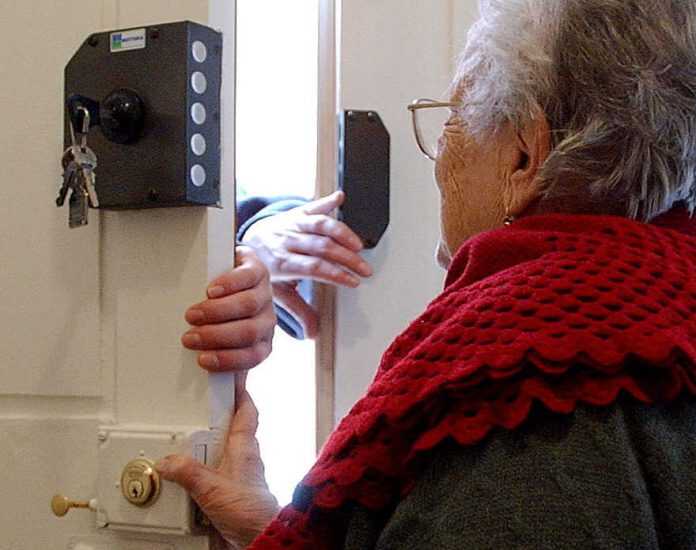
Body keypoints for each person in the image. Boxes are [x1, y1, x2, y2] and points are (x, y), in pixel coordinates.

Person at [159, 0, 696, 547]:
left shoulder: (517, 388)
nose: (438, 155)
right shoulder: (670, 316)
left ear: (523, 157)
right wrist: (266, 530)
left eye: (452, 118)